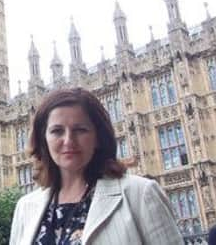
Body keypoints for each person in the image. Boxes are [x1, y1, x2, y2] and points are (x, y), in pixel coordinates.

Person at [9, 88, 182, 245]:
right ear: (44, 140)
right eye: (57, 131)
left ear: (98, 137)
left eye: (80, 130)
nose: (68, 141)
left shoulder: (140, 193)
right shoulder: (26, 207)